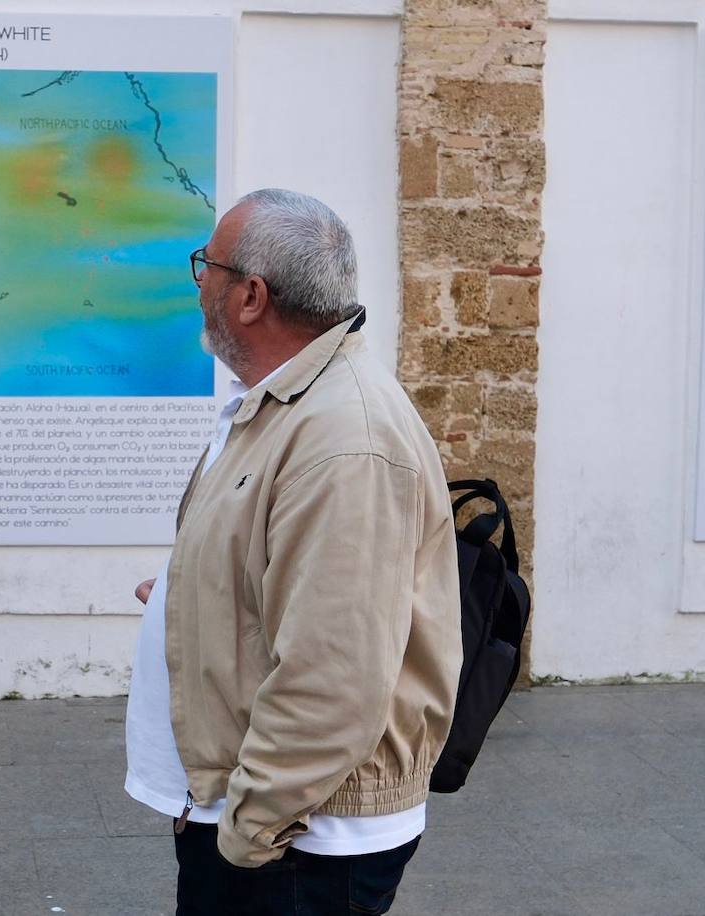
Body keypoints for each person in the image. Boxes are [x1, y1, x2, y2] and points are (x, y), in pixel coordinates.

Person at [125, 189, 462, 915]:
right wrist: (193, 593)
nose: (199, 283)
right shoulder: (288, 404)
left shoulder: (345, 438)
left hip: (300, 840)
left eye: (205, 266)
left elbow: (334, 673)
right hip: (274, 820)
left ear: (250, 295)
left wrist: (249, 828)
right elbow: (286, 573)